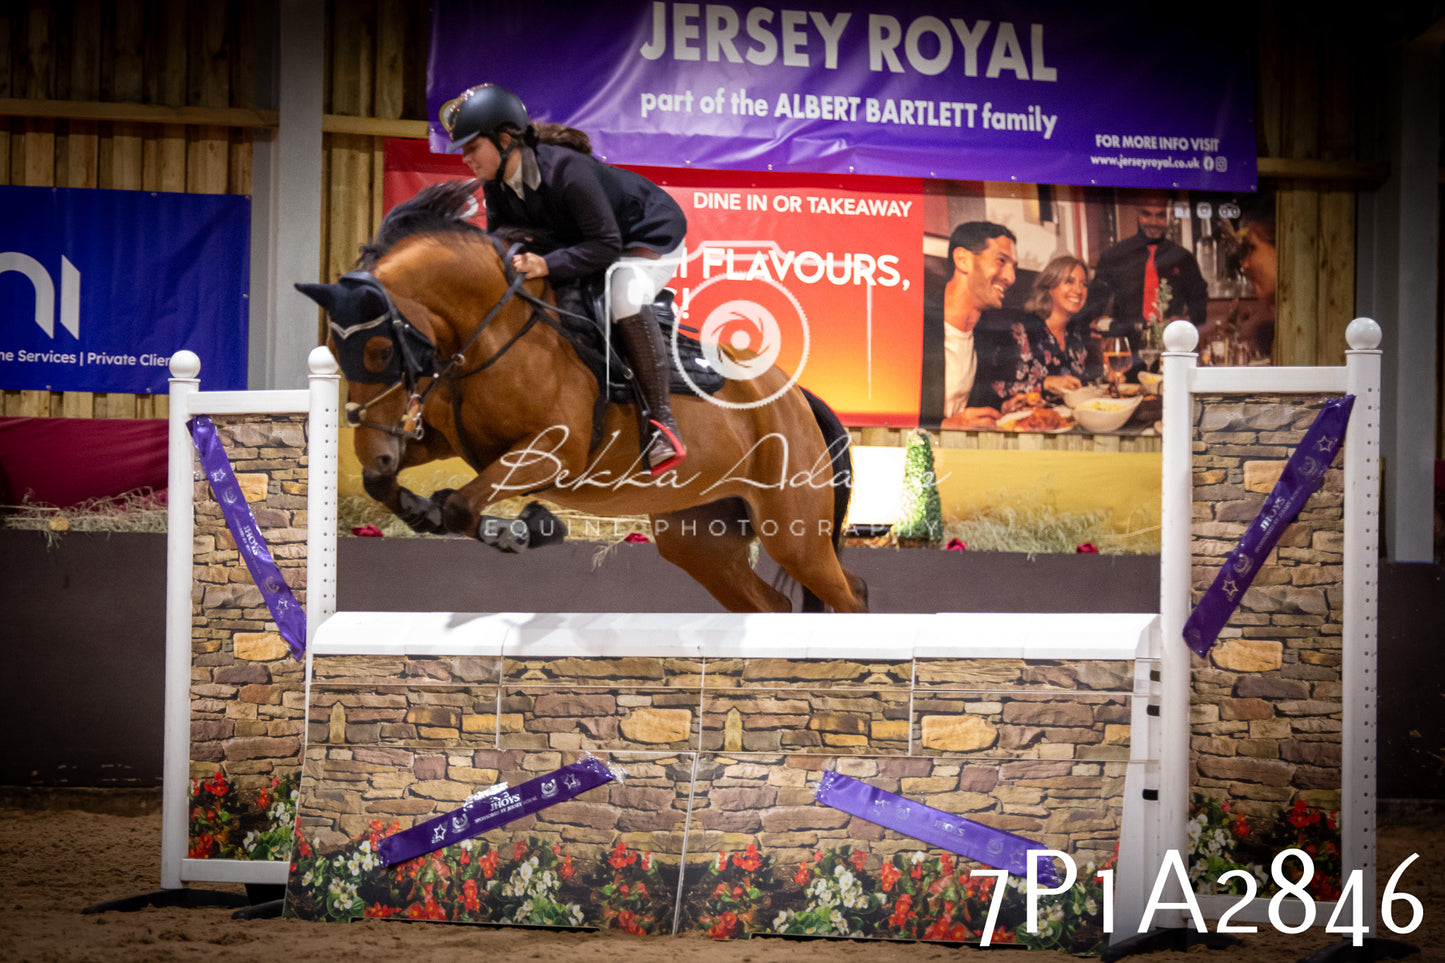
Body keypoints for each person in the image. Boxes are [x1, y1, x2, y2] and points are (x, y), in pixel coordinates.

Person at [440, 83, 688, 474]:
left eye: (472, 147)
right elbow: (500, 245)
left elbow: (606, 245)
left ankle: (661, 425)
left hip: (646, 234)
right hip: (589, 241)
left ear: (504, 139)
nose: (466, 158)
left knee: (623, 293)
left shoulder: (566, 171)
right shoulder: (497, 186)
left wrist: (546, 264)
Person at [918, 221, 1019, 429]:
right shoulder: (916, 326)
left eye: (1013, 267)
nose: (1011, 277)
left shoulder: (984, 333)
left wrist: (1003, 408)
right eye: (1001, 261)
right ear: (963, 260)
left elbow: (971, 401)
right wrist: (945, 427)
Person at [1091, 192, 1208, 343]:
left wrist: (1184, 321)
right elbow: (1096, 300)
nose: (1153, 222)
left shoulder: (1184, 258)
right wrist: (1099, 324)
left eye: (1160, 216)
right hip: (1126, 344)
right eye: (1147, 214)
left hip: (1171, 343)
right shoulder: (1114, 255)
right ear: (1137, 212)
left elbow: (1199, 302)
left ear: (1169, 215)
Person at [1023, 255, 1089, 391]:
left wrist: (1109, 377)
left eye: (1083, 284)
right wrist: (1045, 383)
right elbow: (999, 388)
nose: (1078, 290)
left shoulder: (1076, 334)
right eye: (1070, 282)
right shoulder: (1023, 330)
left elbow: (1082, 385)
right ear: (1050, 286)